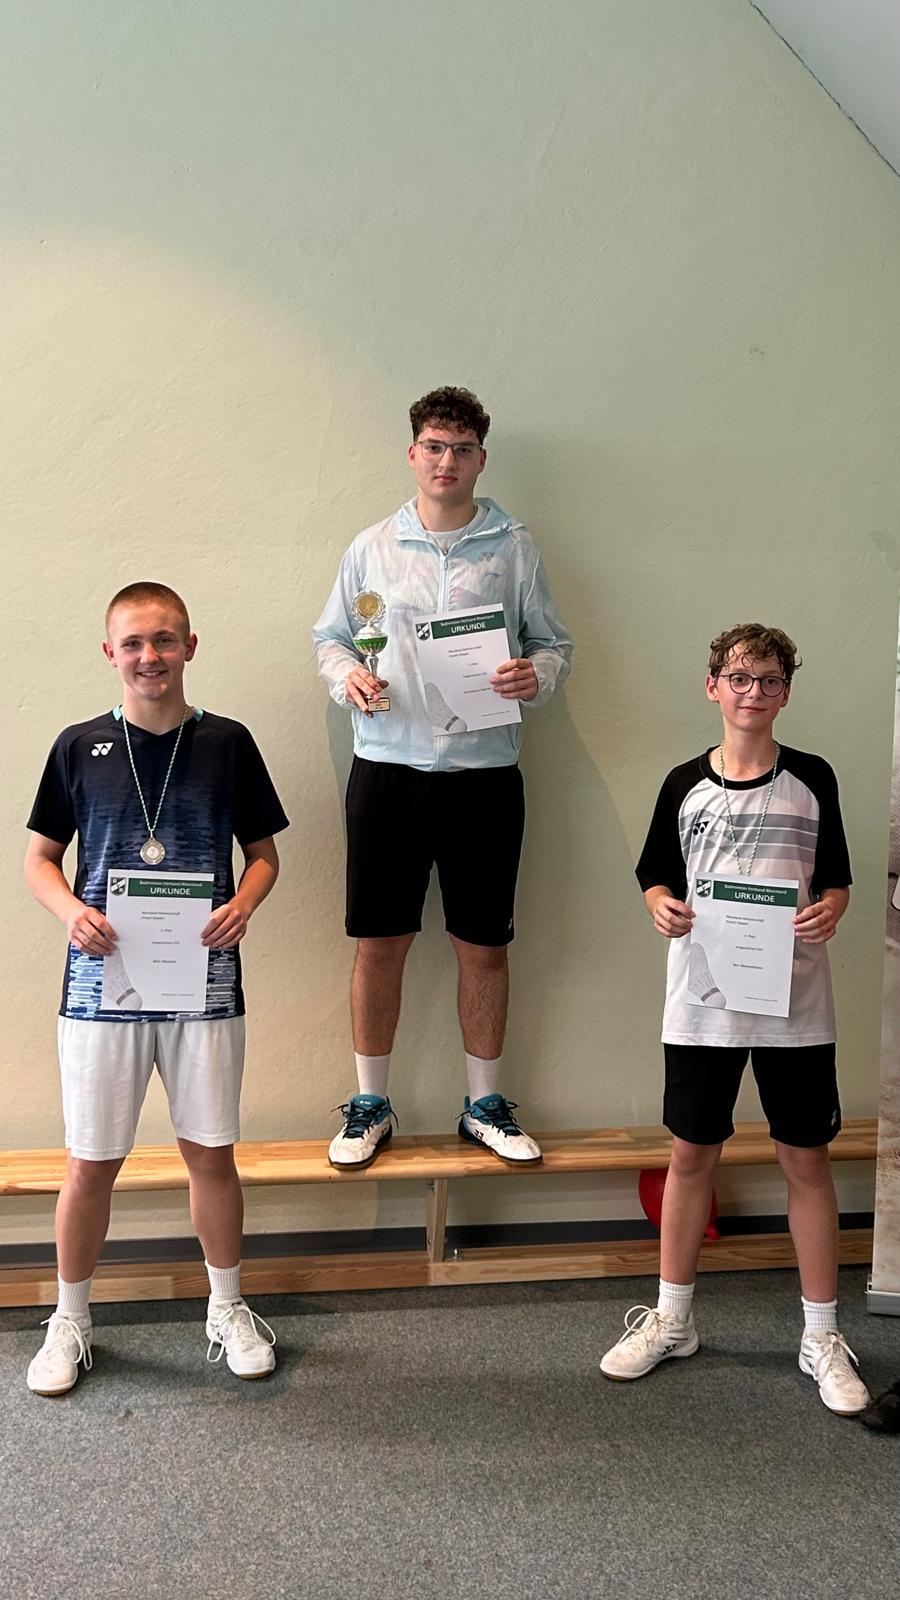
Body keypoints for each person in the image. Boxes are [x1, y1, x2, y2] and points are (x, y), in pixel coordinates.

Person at [24, 582, 289, 1395]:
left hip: (203, 983)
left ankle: (226, 1306)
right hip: (101, 988)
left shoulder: (229, 743)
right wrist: (72, 912)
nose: (150, 656)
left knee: (211, 1153)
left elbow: (264, 856)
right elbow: (38, 860)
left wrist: (244, 905)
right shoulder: (78, 746)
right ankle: (70, 1318)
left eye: (165, 639)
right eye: (134, 642)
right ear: (111, 652)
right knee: (91, 1161)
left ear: (190, 646)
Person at [600, 623, 870, 1415]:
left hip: (796, 1008)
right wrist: (660, 906)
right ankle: (673, 1318)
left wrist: (831, 910)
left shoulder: (812, 778)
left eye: (771, 680)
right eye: (741, 678)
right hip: (702, 1007)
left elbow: (837, 880)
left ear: (787, 692)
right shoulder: (682, 783)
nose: (755, 692)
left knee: (806, 1161)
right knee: (691, 1155)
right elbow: (656, 876)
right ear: (713, 686)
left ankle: (821, 1335)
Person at [313, 386, 572, 1168]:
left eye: (461, 449)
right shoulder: (371, 547)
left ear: (480, 459)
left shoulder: (514, 547)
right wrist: (348, 679)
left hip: (483, 779)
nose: (446, 461)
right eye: (433, 445)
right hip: (386, 773)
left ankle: (484, 1104)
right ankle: (370, 1104)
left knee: (483, 946)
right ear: (412, 453)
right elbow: (332, 639)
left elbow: (553, 646)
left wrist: (536, 676)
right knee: (379, 944)